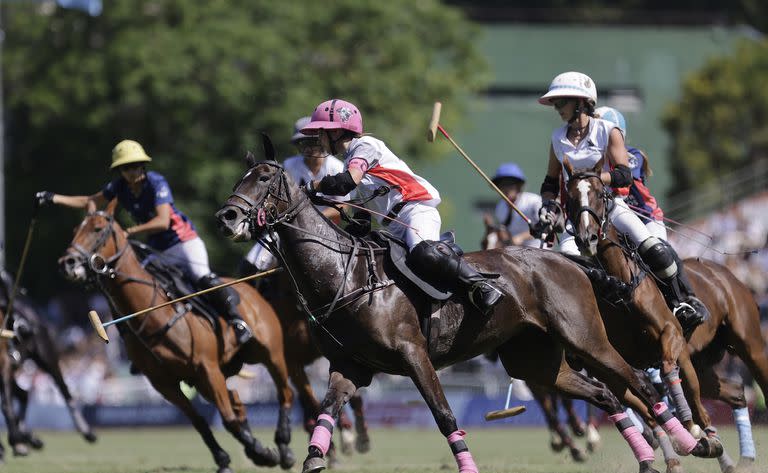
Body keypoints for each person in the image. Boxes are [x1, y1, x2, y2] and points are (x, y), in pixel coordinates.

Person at [533, 71, 708, 333]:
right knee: (567, 263)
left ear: (580, 102)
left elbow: (623, 174)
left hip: (611, 208)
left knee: (653, 247)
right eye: (555, 103)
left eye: (561, 102)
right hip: (575, 218)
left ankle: (682, 301)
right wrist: (547, 206)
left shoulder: (607, 130)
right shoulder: (557, 138)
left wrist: (591, 179)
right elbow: (550, 181)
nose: (556, 108)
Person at [34, 139, 253, 344]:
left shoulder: (156, 182)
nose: (133, 171)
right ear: (120, 170)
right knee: (134, 286)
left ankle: (237, 321)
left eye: (137, 166)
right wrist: (54, 198)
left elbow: (163, 221)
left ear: (143, 166)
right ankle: (139, 344)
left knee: (202, 277)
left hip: (183, 241)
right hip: (157, 249)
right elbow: (89, 201)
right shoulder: (119, 187)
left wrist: (129, 231)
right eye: (127, 168)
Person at [300, 98, 502, 314]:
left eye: (322, 132)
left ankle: (480, 285)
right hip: (394, 226)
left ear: (337, 132)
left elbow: (345, 183)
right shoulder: (351, 159)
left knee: (423, 253)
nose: (319, 139)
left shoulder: (365, 146)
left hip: (415, 210)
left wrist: (314, 186)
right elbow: (361, 221)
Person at [239, 116, 347, 278]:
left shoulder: (337, 167)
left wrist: (311, 219)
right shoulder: (290, 165)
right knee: (250, 266)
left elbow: (343, 208)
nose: (309, 149)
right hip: (291, 225)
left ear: (323, 142)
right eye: (303, 144)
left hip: (328, 230)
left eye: (313, 143)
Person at [594, 106, 667, 240]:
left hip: (646, 218)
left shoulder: (633, 155)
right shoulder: (594, 157)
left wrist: (591, 177)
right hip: (615, 218)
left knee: (658, 255)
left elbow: (623, 177)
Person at [491, 163, 542, 247]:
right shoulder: (500, 207)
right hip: (515, 254)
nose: (505, 188)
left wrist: (522, 237)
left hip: (540, 251)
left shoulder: (534, 202)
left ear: (519, 186)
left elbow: (546, 229)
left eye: (510, 184)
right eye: (502, 185)